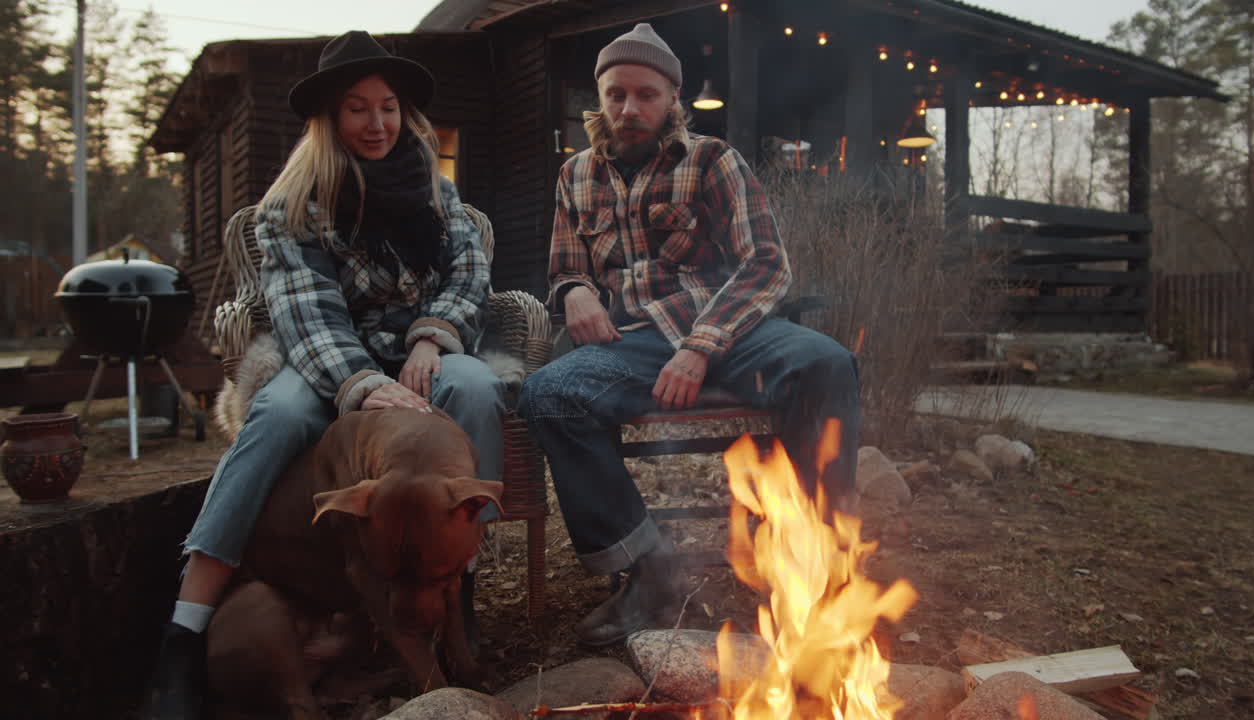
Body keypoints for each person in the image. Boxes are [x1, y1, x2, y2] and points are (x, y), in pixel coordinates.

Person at [141, 31, 504, 718]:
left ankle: (458, 589)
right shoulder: (293, 205)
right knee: (275, 416)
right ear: (331, 119)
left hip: (420, 352)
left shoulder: (437, 189)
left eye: (388, 107)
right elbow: (307, 315)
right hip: (322, 360)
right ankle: (183, 636)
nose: (376, 123)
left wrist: (432, 338)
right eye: (358, 108)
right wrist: (363, 385)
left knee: (476, 387)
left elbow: (469, 278)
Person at [517, 23, 862, 647]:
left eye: (646, 94)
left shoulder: (712, 159)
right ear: (600, 97)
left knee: (827, 364)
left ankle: (813, 563)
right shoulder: (576, 175)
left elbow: (765, 264)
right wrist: (575, 292)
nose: (629, 108)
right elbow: (566, 266)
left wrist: (702, 345)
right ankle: (650, 571)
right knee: (548, 394)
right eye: (616, 93)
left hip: (732, 325)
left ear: (671, 99)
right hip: (635, 342)